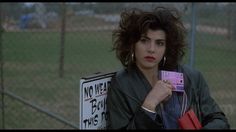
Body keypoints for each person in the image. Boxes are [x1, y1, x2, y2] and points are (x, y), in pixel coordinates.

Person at [106, 6, 230, 129]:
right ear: (132, 44)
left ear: (167, 48)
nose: (151, 49)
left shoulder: (191, 78)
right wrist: (149, 105)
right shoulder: (122, 84)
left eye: (159, 43)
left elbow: (219, 121)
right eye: (144, 40)